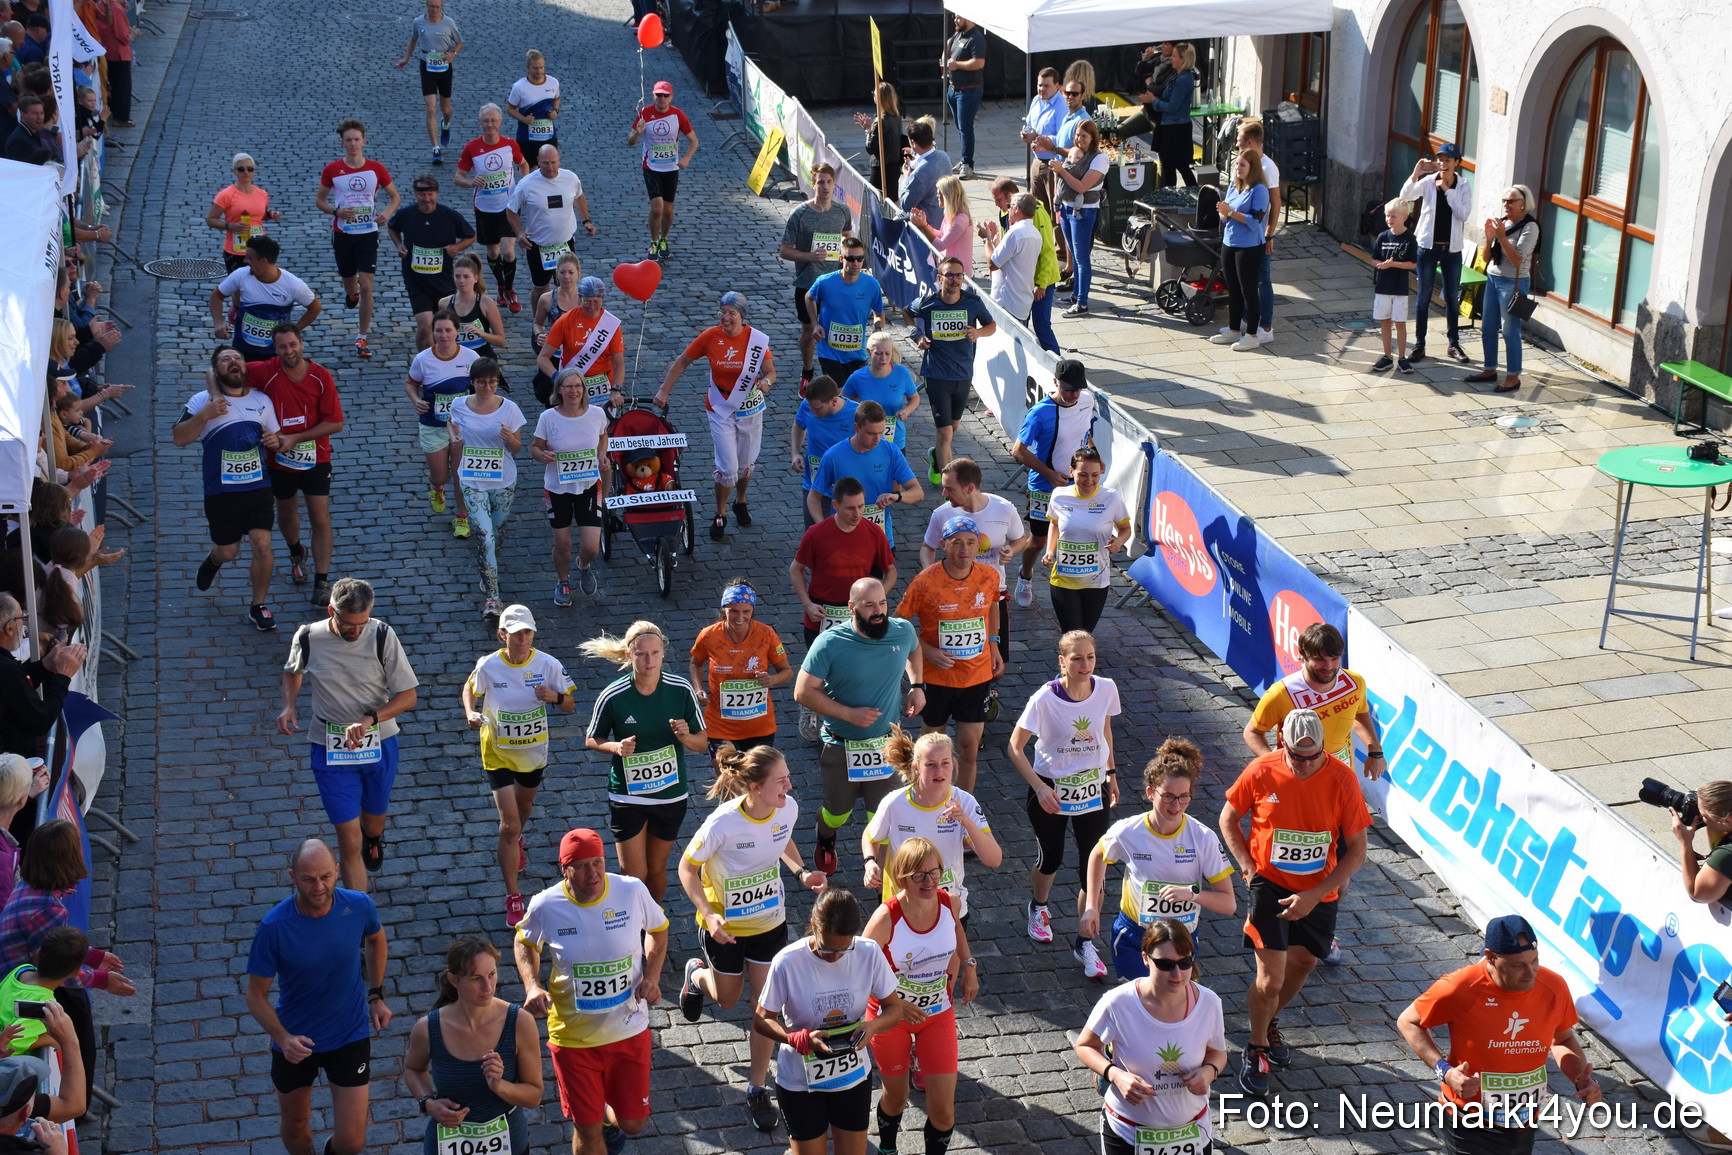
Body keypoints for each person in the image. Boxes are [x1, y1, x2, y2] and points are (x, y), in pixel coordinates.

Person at [1219, 708, 1371, 1096]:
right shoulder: (1261, 769)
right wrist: (1249, 870)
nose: (1305, 765)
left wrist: (1314, 895)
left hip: (1320, 890)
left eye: (1314, 757)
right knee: (1270, 977)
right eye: (1297, 757)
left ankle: (1269, 1021)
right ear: (1282, 743)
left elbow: (1356, 852)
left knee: (1303, 963)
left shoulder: (1342, 779)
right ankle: (1256, 1047)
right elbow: (1228, 819)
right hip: (1268, 885)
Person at [677, 744, 826, 1135]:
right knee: (727, 999)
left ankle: (757, 1087)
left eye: (789, 778)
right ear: (756, 788)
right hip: (724, 929)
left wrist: (801, 873)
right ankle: (696, 977)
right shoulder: (722, 824)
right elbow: (686, 869)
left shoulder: (786, 809)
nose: (790, 787)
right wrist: (709, 916)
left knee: (765, 1009)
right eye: (781, 781)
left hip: (769, 923)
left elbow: (784, 840)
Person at [514, 828, 668, 1155]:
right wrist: (532, 985)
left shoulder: (630, 891)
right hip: (572, 1039)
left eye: (597, 863)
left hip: (629, 1030)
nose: (593, 873)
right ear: (565, 870)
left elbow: (658, 929)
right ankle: (595, 1119)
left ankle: (607, 1116)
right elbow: (524, 941)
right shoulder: (546, 905)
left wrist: (652, 976)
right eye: (582, 866)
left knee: (633, 1123)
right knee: (587, 1130)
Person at [1397, 914, 1602, 1153]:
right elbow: (1408, 1021)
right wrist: (1445, 1071)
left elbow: (1562, 1038)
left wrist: (1580, 1078)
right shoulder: (1461, 987)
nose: (1531, 972)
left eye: (1534, 961)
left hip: (1524, 1119)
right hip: (1468, 1119)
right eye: (1518, 965)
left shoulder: (1553, 986)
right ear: (1490, 958)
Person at [245, 838, 392, 1155]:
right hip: (296, 1042)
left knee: (352, 1142)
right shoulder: (274, 927)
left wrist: (376, 995)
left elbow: (376, 939)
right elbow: (256, 996)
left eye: (326, 876)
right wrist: (283, 1038)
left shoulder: (358, 906)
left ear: (337, 871)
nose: (319, 887)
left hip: (349, 1034)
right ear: (292, 877)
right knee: (296, 1126)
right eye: (309, 879)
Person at [278, 578, 420, 892]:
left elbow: (408, 696)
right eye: (347, 624)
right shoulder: (308, 636)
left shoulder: (382, 635)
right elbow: (292, 670)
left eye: (361, 623)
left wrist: (370, 718)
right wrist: (288, 706)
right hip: (329, 745)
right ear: (331, 611)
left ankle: (375, 837)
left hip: (379, 742)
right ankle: (360, 913)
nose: (355, 631)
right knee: (348, 838)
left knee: (372, 823)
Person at [752, 888, 907, 1155]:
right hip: (801, 1083)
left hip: (852, 1077)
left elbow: (894, 1008)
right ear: (814, 925)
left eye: (843, 949)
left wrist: (872, 1026)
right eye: (826, 948)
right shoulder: (787, 962)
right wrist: (796, 1038)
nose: (834, 956)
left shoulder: (868, 952)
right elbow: (762, 1020)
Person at [1007, 628, 1122, 978]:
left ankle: (1085, 943)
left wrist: (1112, 773)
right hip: (1052, 789)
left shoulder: (1105, 688)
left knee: (1094, 865)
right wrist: (1040, 789)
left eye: (1090, 657)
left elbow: (1104, 730)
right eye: (1076, 658)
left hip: (1092, 788)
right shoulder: (1044, 699)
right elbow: (1015, 746)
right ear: (1062, 661)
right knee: (1051, 856)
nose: (1085, 664)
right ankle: (1039, 906)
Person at [794, 577, 924, 879]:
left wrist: (917, 685)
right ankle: (825, 835)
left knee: (880, 815)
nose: (878, 611)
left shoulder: (901, 630)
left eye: (882, 603)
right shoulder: (830, 643)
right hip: (840, 744)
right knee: (837, 813)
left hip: (887, 745)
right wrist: (848, 714)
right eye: (869, 606)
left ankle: (878, 874)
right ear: (852, 607)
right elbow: (802, 691)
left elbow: (915, 650)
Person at [1081, 737, 1235, 980]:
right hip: (1135, 936)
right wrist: (1091, 906)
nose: (1176, 806)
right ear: (1150, 793)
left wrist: (1192, 895)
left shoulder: (1203, 837)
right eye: (1168, 796)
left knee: (1172, 1010)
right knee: (1137, 1008)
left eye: (1184, 797)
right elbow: (1098, 855)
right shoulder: (1128, 831)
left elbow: (1229, 904)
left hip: (1181, 940)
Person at [862, 837, 978, 1155]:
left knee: (943, 1110)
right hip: (889, 1020)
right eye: (920, 876)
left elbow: (956, 930)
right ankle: (887, 1148)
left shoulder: (949, 902)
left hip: (936, 1015)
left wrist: (968, 964)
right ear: (902, 877)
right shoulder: (886, 918)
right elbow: (856, 974)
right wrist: (897, 1004)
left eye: (935, 872)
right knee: (896, 1098)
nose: (929, 882)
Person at [464, 604, 579, 926]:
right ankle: (513, 896)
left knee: (523, 811)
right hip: (496, 751)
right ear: (503, 635)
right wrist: (470, 712)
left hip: (532, 754)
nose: (523, 639)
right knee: (509, 825)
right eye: (516, 634)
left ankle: (517, 838)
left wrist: (554, 697)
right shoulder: (489, 665)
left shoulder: (547, 664)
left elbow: (570, 705)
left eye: (528, 632)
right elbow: (469, 688)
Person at [1073, 919, 1227, 1155]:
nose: (1177, 973)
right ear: (1145, 959)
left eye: (1185, 962)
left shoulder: (1209, 1002)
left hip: (1193, 1131)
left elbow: (1217, 1052)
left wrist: (1209, 1072)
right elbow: (1085, 1045)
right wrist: (1114, 1074)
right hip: (1127, 1133)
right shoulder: (1117, 1003)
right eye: (1165, 964)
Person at [581, 621, 707, 903]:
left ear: (663, 653)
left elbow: (702, 743)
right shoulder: (613, 695)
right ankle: (634, 926)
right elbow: (592, 738)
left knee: (656, 870)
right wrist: (616, 747)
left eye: (655, 653)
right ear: (629, 655)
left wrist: (686, 737)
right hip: (629, 796)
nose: (648, 660)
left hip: (670, 795)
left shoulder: (681, 689)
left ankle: (653, 924)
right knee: (633, 875)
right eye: (641, 654)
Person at [174, 345, 283, 631]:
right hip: (221, 491)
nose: (233, 362)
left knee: (262, 545)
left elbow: (278, 437)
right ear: (217, 370)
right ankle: (213, 561)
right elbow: (178, 438)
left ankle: (258, 606)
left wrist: (277, 442)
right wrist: (204, 415)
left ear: (245, 367)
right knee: (229, 551)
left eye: (238, 358)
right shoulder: (201, 401)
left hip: (258, 485)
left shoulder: (262, 400)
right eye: (226, 360)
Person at [654, 292, 775, 540]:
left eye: (731, 313)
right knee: (728, 467)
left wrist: (766, 381)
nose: (726, 317)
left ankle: (740, 501)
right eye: (723, 312)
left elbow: (771, 371)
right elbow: (682, 362)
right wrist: (663, 391)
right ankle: (720, 513)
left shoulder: (756, 341)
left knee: (744, 465)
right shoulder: (710, 336)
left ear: (742, 316)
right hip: (720, 407)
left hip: (750, 409)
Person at [403, 938, 542, 1155]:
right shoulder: (428, 1028)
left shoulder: (520, 1022)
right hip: (445, 1145)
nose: (488, 987)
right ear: (454, 980)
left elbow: (534, 1096)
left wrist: (500, 1086)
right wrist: (428, 1102)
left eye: (492, 975)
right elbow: (413, 1068)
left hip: (510, 1145)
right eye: (476, 978)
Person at [895, 515, 1001, 794]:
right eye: (956, 543)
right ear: (943, 545)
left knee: (969, 749)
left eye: (970, 542)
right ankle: (926, 798)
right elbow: (899, 625)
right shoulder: (924, 582)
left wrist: (994, 643)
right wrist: (926, 650)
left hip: (976, 676)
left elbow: (992, 605)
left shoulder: (989, 576)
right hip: (937, 679)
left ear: (979, 544)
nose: (964, 549)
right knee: (931, 750)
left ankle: (963, 806)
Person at [250, 325, 343, 606]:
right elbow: (219, 370)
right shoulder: (265, 371)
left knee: (319, 517)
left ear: (301, 344)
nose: (289, 351)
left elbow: (336, 422)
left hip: (316, 457)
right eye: (282, 347)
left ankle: (322, 581)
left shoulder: (320, 377)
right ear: (275, 350)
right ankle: (295, 552)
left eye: (293, 345)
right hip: (279, 462)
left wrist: (295, 438)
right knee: (288, 514)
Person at [789, 476, 898, 716]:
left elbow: (891, 571)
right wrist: (807, 604)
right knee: (822, 672)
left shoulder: (874, 533)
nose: (857, 513)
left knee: (855, 670)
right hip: (822, 615)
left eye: (861, 506)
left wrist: (877, 600)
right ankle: (813, 709)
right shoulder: (817, 534)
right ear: (835, 506)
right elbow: (796, 569)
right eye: (850, 508)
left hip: (859, 616)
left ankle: (850, 719)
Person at [863, 732, 1000, 918]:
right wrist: (870, 862)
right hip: (903, 910)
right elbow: (871, 836)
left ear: (953, 765)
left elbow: (994, 859)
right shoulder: (894, 803)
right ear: (916, 767)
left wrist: (966, 822)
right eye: (930, 765)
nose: (939, 771)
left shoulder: (965, 802)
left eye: (945, 763)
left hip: (949, 909)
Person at [919, 458, 1026, 677]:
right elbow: (927, 546)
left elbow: (1020, 539)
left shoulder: (1004, 509)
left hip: (994, 595)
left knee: (996, 660)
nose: (943, 494)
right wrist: (930, 573)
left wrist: (1011, 551)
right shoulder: (942, 514)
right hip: (955, 595)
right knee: (959, 655)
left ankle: (986, 695)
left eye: (949, 488)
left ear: (969, 488)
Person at [1013, 358, 1096, 607]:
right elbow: (1018, 451)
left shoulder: (1087, 400)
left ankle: (1066, 589)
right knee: (1039, 540)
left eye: (1078, 389)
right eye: (1068, 389)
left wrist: (1095, 456)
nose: (1074, 394)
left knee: (1071, 536)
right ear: (1055, 383)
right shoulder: (1040, 413)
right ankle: (1025, 575)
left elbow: (1085, 431)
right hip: (1043, 486)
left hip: (1076, 485)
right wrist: (1048, 473)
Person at [448, 359, 526, 616]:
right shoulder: (460, 404)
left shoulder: (510, 409)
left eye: (492, 381)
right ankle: (493, 598)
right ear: (473, 382)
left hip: (503, 480)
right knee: (485, 536)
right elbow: (451, 421)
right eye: (482, 381)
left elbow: (517, 448)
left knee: (497, 534)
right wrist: (454, 437)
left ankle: (487, 567)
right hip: (472, 480)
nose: (487, 386)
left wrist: (510, 438)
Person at [317, 119, 400, 360]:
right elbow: (320, 200)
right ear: (342, 143)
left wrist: (386, 213)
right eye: (348, 140)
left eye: (356, 139)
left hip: (368, 233)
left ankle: (361, 336)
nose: (353, 143)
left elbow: (394, 197)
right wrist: (336, 211)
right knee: (351, 285)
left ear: (364, 141)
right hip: (343, 234)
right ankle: (350, 293)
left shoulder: (376, 168)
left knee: (366, 286)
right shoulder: (332, 170)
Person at [906, 258, 996, 477]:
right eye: (950, 275)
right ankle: (949, 483)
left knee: (952, 428)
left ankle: (937, 454)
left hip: (963, 374)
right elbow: (907, 312)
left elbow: (991, 325)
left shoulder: (972, 302)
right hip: (936, 374)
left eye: (959, 275)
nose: (955, 280)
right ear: (940, 278)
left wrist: (978, 333)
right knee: (945, 432)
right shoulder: (928, 303)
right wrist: (916, 334)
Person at [530, 366, 610, 605]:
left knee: (591, 547)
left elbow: (603, 435)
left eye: (578, 386)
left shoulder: (596, 414)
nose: (574, 391)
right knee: (563, 544)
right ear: (560, 390)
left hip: (588, 485)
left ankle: (583, 565)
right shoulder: (548, 417)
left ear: (583, 389)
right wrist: (541, 455)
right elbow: (535, 447)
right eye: (569, 386)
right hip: (557, 489)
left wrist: (602, 455)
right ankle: (563, 581)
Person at [689, 580, 791, 753]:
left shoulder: (766, 634)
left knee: (756, 779)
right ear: (724, 610)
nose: (740, 618)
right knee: (726, 778)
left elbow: (787, 672)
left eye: (746, 612)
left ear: (753, 610)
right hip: (719, 725)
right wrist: (698, 689)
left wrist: (772, 679)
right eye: (733, 611)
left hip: (759, 726)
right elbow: (695, 663)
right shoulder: (709, 635)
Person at [780, 165, 855, 389]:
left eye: (829, 182)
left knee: (836, 328)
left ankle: (834, 376)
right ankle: (808, 370)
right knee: (809, 331)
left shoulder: (842, 211)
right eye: (820, 182)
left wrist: (844, 254)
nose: (825, 187)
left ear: (834, 184)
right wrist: (810, 256)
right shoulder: (800, 214)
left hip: (836, 283)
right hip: (808, 284)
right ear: (813, 184)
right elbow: (784, 250)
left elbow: (846, 237)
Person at [406, 310, 480, 537]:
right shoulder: (423, 359)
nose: (444, 335)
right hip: (433, 425)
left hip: (460, 428)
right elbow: (410, 383)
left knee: (460, 474)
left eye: (448, 330)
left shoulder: (471, 358)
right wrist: (417, 400)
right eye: (439, 330)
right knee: (441, 475)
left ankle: (461, 517)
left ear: (457, 331)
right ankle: (436, 488)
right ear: (433, 332)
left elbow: (481, 388)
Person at [1042, 446, 1131, 633]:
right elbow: (1055, 524)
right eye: (1082, 474)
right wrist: (1050, 550)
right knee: (1072, 634)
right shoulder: (1059, 495)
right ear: (1071, 471)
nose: (1089, 481)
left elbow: (1125, 529)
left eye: (1095, 475)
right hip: (1063, 578)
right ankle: (1068, 661)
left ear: (1101, 472)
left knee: (1085, 634)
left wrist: (1119, 542)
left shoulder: (1111, 498)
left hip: (1096, 580)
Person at [1400, 141, 1472, 363]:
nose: (1443, 164)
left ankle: (1454, 344)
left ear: (1457, 163)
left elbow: (1463, 214)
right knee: (1423, 298)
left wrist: (1448, 192)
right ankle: (1420, 345)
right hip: (1428, 248)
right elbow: (1406, 196)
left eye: (1448, 160)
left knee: (1451, 297)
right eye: (1440, 160)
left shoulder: (1463, 185)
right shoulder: (1429, 182)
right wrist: (1416, 172)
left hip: (1451, 250)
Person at [1464, 185, 1539, 395]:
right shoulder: (1502, 223)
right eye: (1504, 201)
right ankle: (1489, 369)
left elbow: (1517, 260)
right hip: (1493, 279)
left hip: (1513, 283)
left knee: (1509, 330)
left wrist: (1502, 237)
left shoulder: (1530, 227)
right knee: (1487, 327)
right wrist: (1489, 239)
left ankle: (1513, 376)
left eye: (1511, 201)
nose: (1506, 205)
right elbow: (1486, 258)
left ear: (1523, 203)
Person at [387, 174, 476, 351]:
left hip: (444, 281)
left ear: (436, 194)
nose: (426, 198)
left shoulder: (450, 216)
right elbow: (392, 227)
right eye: (421, 194)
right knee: (425, 326)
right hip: (416, 281)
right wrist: (399, 245)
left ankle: (443, 357)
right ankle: (425, 361)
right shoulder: (406, 214)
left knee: (445, 327)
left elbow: (471, 235)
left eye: (430, 194)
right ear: (415, 194)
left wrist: (457, 247)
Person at [454, 105, 528, 314]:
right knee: (493, 251)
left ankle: (510, 290)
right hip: (484, 208)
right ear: (480, 122)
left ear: (500, 122)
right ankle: (500, 285)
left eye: (493, 121)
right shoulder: (472, 147)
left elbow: (523, 164)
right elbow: (458, 177)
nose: (489, 125)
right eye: (486, 121)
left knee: (508, 250)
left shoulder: (510, 145)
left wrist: (522, 186)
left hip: (508, 207)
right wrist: (470, 182)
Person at [506, 145, 596, 318]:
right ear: (538, 161)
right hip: (538, 246)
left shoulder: (570, 178)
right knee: (540, 287)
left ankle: (570, 320)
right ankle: (538, 321)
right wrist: (519, 233)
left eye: (553, 162)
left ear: (559, 160)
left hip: (565, 244)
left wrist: (586, 220)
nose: (550, 167)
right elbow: (511, 210)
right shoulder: (526, 184)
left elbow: (579, 196)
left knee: (569, 285)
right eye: (545, 163)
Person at [808, 401, 922, 535]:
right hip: (845, 538)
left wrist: (896, 496)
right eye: (871, 433)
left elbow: (918, 492)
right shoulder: (833, 456)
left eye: (881, 432)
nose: (877, 439)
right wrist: (822, 527)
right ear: (856, 427)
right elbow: (813, 497)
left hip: (881, 537)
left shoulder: (891, 451)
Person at [209, 236, 321, 363]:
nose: (245, 260)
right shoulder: (241, 275)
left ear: (263, 261)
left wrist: (295, 330)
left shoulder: (293, 285)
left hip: (275, 352)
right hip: (243, 348)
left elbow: (315, 308)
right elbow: (216, 296)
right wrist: (218, 323)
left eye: (249, 257)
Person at [0, 596, 82, 760]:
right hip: (10, 768)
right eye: (22, 618)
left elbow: (15, 685)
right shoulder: (5, 669)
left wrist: (45, 665)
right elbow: (40, 720)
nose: (24, 623)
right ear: (9, 628)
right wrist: (63, 676)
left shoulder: (7, 668)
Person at [1210, 148, 1271, 355]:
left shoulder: (1259, 190)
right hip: (1230, 241)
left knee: (1248, 290)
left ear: (1252, 168)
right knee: (1233, 288)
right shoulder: (1234, 187)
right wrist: (1223, 213)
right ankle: (1234, 329)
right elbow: (1225, 217)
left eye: (1242, 165)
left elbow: (1255, 221)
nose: (1237, 168)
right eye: (1236, 164)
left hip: (1250, 246)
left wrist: (1230, 212)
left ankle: (1252, 335)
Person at [629, 80, 697, 260]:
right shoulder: (645, 113)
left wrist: (686, 158)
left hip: (671, 168)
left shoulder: (678, 115)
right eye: (658, 95)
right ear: (653, 96)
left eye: (665, 95)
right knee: (657, 208)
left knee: (667, 210)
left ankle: (664, 240)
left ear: (671, 97)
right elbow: (630, 141)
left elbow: (694, 141)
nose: (662, 98)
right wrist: (637, 132)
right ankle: (653, 242)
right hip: (651, 166)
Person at [1048, 120, 1109, 317]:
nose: (1079, 139)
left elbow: (1082, 186)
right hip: (1067, 208)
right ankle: (1076, 295)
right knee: (1074, 255)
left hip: (1084, 212)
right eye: (1077, 135)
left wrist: (1061, 170)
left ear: (1092, 138)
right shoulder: (1074, 152)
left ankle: (1082, 303)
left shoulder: (1100, 159)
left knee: (1082, 258)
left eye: (1084, 136)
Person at [535, 275, 624, 409]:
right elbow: (543, 358)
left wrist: (616, 390)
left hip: (603, 388)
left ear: (602, 299)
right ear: (580, 298)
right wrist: (557, 377)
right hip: (573, 388)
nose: (592, 306)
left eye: (596, 301)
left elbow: (619, 364)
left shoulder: (611, 324)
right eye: (587, 301)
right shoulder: (565, 321)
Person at [806, 236, 884, 388]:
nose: (855, 263)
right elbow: (808, 298)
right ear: (842, 258)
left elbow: (879, 314)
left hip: (858, 353)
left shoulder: (871, 285)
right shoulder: (825, 282)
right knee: (838, 396)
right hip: (829, 353)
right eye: (850, 258)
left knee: (857, 397)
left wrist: (877, 329)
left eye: (859, 259)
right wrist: (814, 324)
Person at [394, 0, 462, 165]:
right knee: (431, 108)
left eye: (437, 7)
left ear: (442, 7)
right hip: (427, 67)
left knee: (445, 109)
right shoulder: (418, 22)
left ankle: (445, 124)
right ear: (426, 6)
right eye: (431, 6)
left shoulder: (448, 23)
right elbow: (413, 39)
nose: (434, 10)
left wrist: (453, 53)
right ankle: (436, 149)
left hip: (445, 69)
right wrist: (406, 58)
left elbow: (459, 42)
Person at [1234, 118, 1282, 346]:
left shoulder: (1266, 168)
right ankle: (1246, 319)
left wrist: (1270, 234)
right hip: (1247, 236)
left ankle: (1266, 326)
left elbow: (1276, 203)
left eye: (1239, 141)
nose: (1236, 145)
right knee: (1249, 279)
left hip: (1259, 235)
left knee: (1263, 279)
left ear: (1250, 142)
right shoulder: (1249, 164)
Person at [789, 376, 858, 528]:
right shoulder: (807, 406)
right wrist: (795, 452)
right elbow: (798, 424)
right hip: (814, 486)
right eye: (810, 407)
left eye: (817, 408)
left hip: (845, 490)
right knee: (815, 535)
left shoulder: (856, 414)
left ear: (833, 401)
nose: (812, 412)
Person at [841, 334, 918, 459]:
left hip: (895, 440)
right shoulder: (857, 377)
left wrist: (906, 410)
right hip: (866, 441)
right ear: (869, 352)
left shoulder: (901, 374)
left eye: (887, 354)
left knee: (896, 478)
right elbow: (842, 403)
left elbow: (914, 397)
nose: (883, 358)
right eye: (878, 353)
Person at [1367, 197, 1419, 373]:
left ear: (1404, 217)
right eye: (1387, 216)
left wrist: (1393, 264)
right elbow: (1374, 259)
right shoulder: (1382, 236)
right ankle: (1387, 356)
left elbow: (1412, 264)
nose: (1389, 219)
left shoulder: (1410, 238)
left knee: (1400, 323)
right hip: (1382, 287)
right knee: (1385, 321)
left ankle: (1402, 358)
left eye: (1393, 216)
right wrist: (1380, 265)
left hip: (1399, 288)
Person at [207, 152, 278, 273]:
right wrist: (230, 226)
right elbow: (210, 219)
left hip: (259, 249)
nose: (246, 172)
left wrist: (270, 215)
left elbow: (260, 216)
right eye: (241, 169)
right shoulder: (226, 195)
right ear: (234, 171)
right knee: (238, 288)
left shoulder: (262, 194)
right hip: (236, 250)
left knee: (260, 284)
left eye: (250, 169)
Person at [1670, 782, 1732, 904]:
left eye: (1703, 815)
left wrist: (1685, 842)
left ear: (1728, 819)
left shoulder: (1726, 854)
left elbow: (1698, 894)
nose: (1701, 818)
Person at [982, 192, 1040, 323]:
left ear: (1017, 208)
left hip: (1007, 302)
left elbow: (992, 263)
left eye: (1010, 206)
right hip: (1022, 302)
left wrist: (987, 239)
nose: (1008, 209)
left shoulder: (1015, 232)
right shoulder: (1035, 233)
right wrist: (997, 243)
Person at [941, 14, 985, 180]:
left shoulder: (976, 38)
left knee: (966, 127)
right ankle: (963, 159)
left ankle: (968, 164)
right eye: (954, 16)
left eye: (959, 17)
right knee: (960, 126)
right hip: (954, 89)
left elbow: (979, 63)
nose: (955, 20)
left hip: (969, 90)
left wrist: (956, 64)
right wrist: (945, 57)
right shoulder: (958, 35)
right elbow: (948, 45)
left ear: (970, 19)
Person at [441, 254, 507, 358]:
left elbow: (501, 341)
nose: (461, 281)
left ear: (475, 278)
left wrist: (481, 334)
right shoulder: (444, 303)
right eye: (457, 276)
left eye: (466, 276)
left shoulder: (486, 303)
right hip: (455, 359)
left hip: (481, 360)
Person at [1151, 43, 1198, 188]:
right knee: (1171, 166)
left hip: (1176, 129)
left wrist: (1154, 101)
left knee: (1179, 166)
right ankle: (1172, 195)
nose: (1171, 58)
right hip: (1170, 126)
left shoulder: (1183, 80)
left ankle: (1193, 195)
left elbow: (1172, 107)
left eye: (1174, 56)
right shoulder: (1177, 75)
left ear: (1182, 60)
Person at [506, 49, 560, 167]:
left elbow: (556, 98)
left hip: (549, 136)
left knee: (549, 168)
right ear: (528, 67)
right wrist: (524, 119)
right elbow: (510, 109)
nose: (539, 71)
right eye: (535, 68)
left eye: (541, 67)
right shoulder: (519, 87)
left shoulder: (553, 83)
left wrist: (555, 110)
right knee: (528, 169)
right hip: (527, 137)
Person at [852, 83, 905, 202]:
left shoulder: (881, 121)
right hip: (894, 165)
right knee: (892, 199)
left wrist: (867, 130)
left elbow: (871, 148)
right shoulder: (896, 115)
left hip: (881, 168)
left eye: (874, 94)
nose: (873, 96)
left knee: (876, 201)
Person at [1019, 67, 1064, 203]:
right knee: (1038, 209)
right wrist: (1026, 132)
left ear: (1057, 86)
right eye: (1039, 85)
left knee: (1053, 211)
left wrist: (1037, 137)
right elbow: (1029, 124)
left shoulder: (1061, 106)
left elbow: (1063, 138)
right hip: (1037, 161)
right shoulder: (1036, 100)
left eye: (1046, 86)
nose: (1042, 89)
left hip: (1053, 164)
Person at [910, 175, 973, 272]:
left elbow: (940, 245)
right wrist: (924, 224)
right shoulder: (951, 214)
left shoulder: (961, 219)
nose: (937, 196)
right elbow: (941, 235)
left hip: (958, 276)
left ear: (948, 196)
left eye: (940, 193)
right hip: (949, 270)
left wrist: (923, 226)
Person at [83, 0, 131, 125]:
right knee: (121, 87)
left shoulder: (99, 6)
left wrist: (110, 8)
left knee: (113, 85)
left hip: (105, 50)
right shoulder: (115, 8)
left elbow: (108, 22)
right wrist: (132, 34)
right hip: (118, 53)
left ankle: (114, 113)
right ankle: (121, 118)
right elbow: (123, 36)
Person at [898, 118, 949, 226]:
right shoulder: (944, 156)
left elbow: (906, 204)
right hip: (945, 221)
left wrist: (906, 178)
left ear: (912, 142)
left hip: (927, 227)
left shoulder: (920, 173)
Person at [532, 253, 583, 354]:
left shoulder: (586, 298)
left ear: (578, 274)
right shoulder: (546, 299)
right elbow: (537, 323)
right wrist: (539, 334)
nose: (566, 277)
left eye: (571, 272)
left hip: (581, 353)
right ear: (557, 274)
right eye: (562, 272)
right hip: (555, 352)